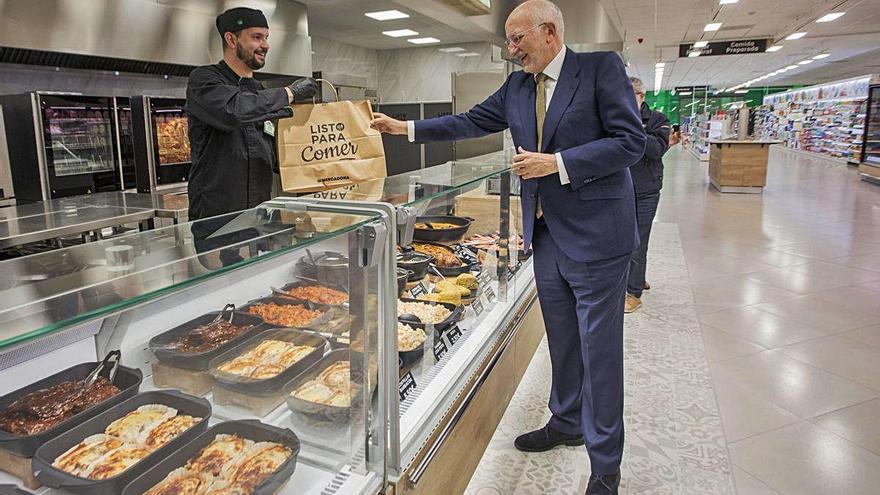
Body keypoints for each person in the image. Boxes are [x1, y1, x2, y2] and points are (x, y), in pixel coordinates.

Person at [370, 1, 645, 493]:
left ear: (548, 32)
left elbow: (630, 143)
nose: (512, 49)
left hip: (599, 237)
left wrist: (556, 163)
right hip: (546, 237)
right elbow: (469, 122)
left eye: (518, 39)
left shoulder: (600, 68)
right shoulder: (518, 85)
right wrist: (403, 128)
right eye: (509, 40)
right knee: (562, 340)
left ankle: (606, 467)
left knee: (599, 352)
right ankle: (564, 422)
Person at [185, 6, 318, 220]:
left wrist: (320, 166)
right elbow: (233, 111)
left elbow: (272, 153)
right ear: (231, 39)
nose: (265, 45)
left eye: (266, 37)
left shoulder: (259, 90)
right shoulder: (204, 80)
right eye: (256, 37)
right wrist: (290, 93)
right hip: (215, 217)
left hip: (259, 212)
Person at [624, 77, 671, 313]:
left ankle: (634, 293)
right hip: (620, 192)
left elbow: (656, 149)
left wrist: (632, 128)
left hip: (645, 192)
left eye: (629, 94)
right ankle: (637, 278)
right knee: (624, 240)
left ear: (641, 96)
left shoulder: (658, 119)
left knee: (638, 242)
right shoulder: (614, 119)